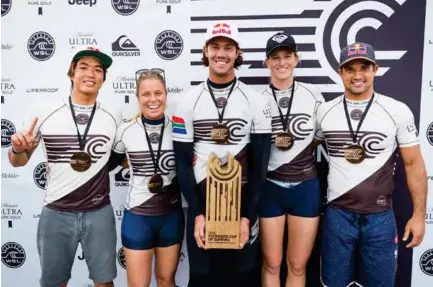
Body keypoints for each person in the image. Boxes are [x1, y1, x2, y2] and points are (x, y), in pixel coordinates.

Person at [315, 42, 427, 287]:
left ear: (375, 69)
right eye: (350, 68)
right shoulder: (324, 111)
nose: (357, 75)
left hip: (380, 216)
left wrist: (419, 216)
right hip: (338, 214)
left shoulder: (397, 110)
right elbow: (303, 154)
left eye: (364, 67)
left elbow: (414, 164)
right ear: (340, 72)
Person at [8, 47, 121, 287]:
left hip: (99, 212)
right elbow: (18, 161)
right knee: (54, 283)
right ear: (71, 74)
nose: (91, 73)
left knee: (104, 282)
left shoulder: (113, 115)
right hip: (56, 213)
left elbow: (122, 157)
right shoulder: (44, 112)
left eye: (98, 69)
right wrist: (18, 148)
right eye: (83, 67)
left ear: (103, 78)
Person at [172, 22, 272, 287]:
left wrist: (247, 215)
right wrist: (196, 213)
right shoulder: (186, 101)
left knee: (244, 275)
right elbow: (182, 163)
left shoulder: (256, 101)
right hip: (202, 204)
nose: (221, 53)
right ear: (205, 51)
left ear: (237, 53)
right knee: (203, 277)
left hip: (242, 205)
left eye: (228, 47)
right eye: (215, 46)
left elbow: (260, 164)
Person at [258, 33, 324, 287]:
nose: (281, 62)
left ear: (297, 59)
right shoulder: (258, 100)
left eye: (287, 56)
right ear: (267, 62)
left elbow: (318, 138)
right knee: (272, 264)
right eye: (275, 57)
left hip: (305, 188)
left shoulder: (313, 96)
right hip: (270, 188)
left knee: (297, 265)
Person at [110, 69, 184, 287]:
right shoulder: (125, 129)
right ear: (137, 97)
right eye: (146, 94)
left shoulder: (179, 127)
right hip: (138, 218)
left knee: (166, 280)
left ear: (166, 95)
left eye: (158, 93)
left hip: (171, 216)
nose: (153, 99)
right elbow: (108, 164)